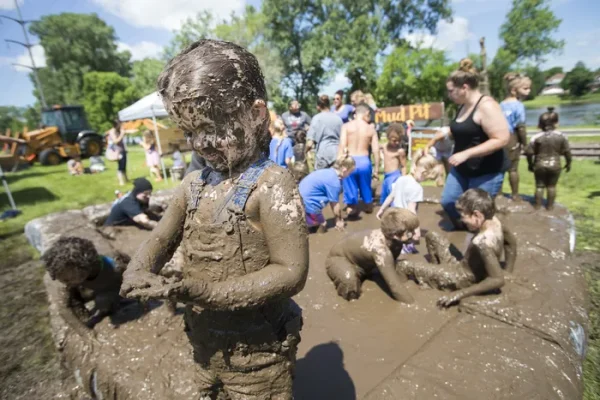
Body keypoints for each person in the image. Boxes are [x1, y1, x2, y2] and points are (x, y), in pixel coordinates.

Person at [122, 39, 308, 400]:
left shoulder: (271, 185)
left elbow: (291, 271)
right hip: (204, 343)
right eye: (188, 132)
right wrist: (138, 268)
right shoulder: (193, 185)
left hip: (258, 355)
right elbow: (161, 238)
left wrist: (211, 293)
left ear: (255, 115)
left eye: (211, 127)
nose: (200, 143)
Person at [396, 188, 517, 308]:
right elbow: (511, 243)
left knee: (403, 266)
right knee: (431, 236)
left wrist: (460, 293)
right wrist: (508, 270)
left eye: (463, 216)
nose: (462, 220)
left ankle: (404, 296)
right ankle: (434, 273)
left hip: (460, 279)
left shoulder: (482, 243)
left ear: (477, 215)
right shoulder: (496, 222)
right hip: (460, 266)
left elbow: (497, 279)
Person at [441, 58, 510, 230]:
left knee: (478, 213)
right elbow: (466, 129)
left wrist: (467, 153)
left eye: (451, 91)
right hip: (461, 169)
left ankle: (485, 242)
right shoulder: (462, 105)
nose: (449, 95)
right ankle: (463, 233)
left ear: (464, 88)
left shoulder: (487, 106)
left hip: (486, 171)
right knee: (449, 202)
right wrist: (442, 134)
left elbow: (501, 139)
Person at [42, 236, 129, 339]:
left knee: (106, 300)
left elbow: (133, 276)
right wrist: (85, 333)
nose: (64, 283)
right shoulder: (71, 276)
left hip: (111, 282)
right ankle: (83, 311)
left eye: (67, 280)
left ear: (85, 268)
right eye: (60, 279)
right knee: (71, 297)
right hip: (88, 283)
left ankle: (108, 304)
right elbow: (64, 307)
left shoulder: (115, 265)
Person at [326, 208, 418, 303]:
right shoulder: (380, 250)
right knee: (349, 283)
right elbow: (396, 289)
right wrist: (412, 305)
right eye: (411, 233)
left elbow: (392, 265)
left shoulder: (394, 240)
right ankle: (351, 302)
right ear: (395, 235)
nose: (416, 235)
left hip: (362, 262)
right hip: (338, 259)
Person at [377, 149, 444, 253]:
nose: (425, 181)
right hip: (405, 220)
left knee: (393, 239)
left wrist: (381, 209)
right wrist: (416, 230)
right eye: (427, 179)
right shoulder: (417, 188)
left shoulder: (401, 179)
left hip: (394, 216)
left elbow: (391, 196)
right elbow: (411, 210)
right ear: (424, 173)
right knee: (405, 246)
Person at [526, 107, 572, 211]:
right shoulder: (562, 136)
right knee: (551, 187)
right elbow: (567, 152)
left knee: (539, 186)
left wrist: (530, 164)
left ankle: (537, 207)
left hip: (539, 164)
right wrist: (569, 163)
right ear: (555, 123)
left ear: (540, 124)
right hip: (555, 164)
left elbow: (529, 153)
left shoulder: (535, 137)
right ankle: (550, 207)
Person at [299, 150, 355, 233]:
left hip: (300, 196)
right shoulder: (334, 182)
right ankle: (308, 225)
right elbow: (335, 205)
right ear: (344, 169)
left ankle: (305, 219)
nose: (350, 175)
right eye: (350, 172)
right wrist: (338, 220)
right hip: (308, 202)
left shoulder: (329, 172)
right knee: (322, 225)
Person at [339, 103, 380, 217]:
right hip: (364, 161)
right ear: (366, 113)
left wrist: (338, 165)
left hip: (349, 160)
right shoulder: (370, 129)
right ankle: (368, 205)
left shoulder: (346, 126)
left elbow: (342, 146)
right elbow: (376, 151)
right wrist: (376, 169)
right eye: (369, 115)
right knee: (366, 188)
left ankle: (352, 208)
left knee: (350, 194)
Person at [501, 73, 531, 201]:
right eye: (525, 88)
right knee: (513, 169)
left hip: (499, 138)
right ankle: (515, 195)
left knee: (500, 167)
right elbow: (521, 126)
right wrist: (525, 144)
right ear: (514, 90)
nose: (529, 91)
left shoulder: (500, 104)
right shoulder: (519, 106)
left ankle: (498, 193)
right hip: (512, 138)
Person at [305, 94, 343, 170]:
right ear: (329, 105)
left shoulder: (316, 118)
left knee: (321, 180)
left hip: (322, 155)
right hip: (337, 153)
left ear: (318, 106)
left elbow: (309, 143)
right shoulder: (338, 119)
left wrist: (305, 152)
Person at [380, 123, 407, 204]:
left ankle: (395, 213)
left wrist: (403, 179)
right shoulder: (384, 147)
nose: (397, 142)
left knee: (393, 199)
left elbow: (404, 166)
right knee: (384, 200)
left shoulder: (400, 151)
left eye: (399, 140)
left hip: (395, 176)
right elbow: (374, 146)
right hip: (386, 177)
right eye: (394, 140)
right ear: (388, 137)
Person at [107, 119, 128, 186]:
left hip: (122, 150)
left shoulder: (118, 131)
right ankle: (121, 181)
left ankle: (126, 179)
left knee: (124, 165)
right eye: (120, 124)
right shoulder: (112, 131)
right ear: (116, 124)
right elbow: (116, 141)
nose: (121, 126)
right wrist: (122, 134)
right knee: (120, 166)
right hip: (117, 152)